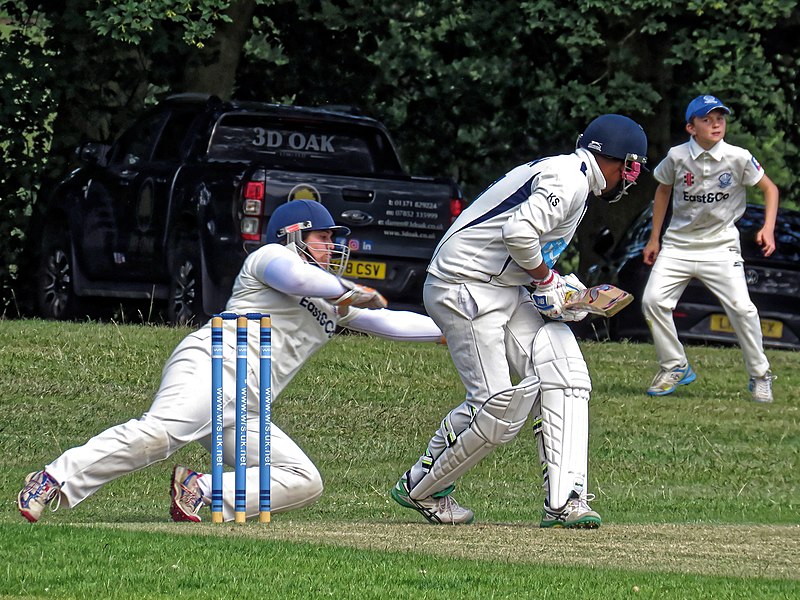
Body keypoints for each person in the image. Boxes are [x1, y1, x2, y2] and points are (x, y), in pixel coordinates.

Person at [18, 199, 447, 523]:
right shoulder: (270, 258)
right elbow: (299, 279)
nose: (332, 245)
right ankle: (52, 479)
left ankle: (200, 488)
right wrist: (344, 290)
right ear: (294, 235)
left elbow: (391, 322)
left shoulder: (334, 298)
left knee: (303, 478)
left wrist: (448, 332)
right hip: (213, 366)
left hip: (245, 406)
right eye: (324, 237)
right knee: (161, 435)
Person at [389, 115, 649, 527]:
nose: (631, 178)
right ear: (618, 160)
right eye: (632, 167)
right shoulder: (569, 179)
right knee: (497, 410)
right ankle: (422, 486)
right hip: (464, 285)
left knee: (566, 372)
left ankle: (566, 501)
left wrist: (566, 294)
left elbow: (525, 251)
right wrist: (545, 280)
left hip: (500, 286)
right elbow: (518, 233)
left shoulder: (571, 177)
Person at [641, 95, 779, 402]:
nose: (716, 124)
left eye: (720, 118)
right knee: (652, 301)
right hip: (678, 245)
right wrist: (655, 238)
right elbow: (662, 190)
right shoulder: (677, 157)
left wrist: (767, 228)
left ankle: (760, 375)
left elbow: (770, 189)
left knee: (743, 309)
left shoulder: (739, 157)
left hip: (721, 247)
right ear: (691, 127)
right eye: (707, 119)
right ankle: (675, 366)